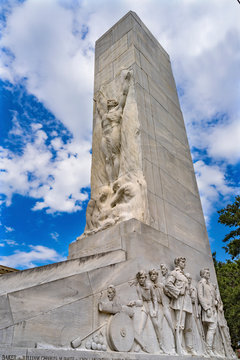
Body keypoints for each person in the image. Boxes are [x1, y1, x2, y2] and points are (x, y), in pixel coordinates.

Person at [95, 70, 131, 184]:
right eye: (108, 101)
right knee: (107, 159)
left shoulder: (118, 109)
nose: (109, 101)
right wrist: (97, 101)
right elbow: (99, 109)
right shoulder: (104, 115)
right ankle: (111, 182)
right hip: (105, 135)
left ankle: (117, 179)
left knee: (115, 155)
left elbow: (124, 94)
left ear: (115, 103)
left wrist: (126, 79)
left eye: (112, 101)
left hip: (114, 130)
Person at [165, 257, 195, 355]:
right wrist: (178, 292)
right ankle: (179, 347)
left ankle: (188, 347)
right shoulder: (174, 273)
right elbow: (168, 284)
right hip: (180, 302)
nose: (184, 264)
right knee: (179, 325)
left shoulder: (184, 276)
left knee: (188, 326)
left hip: (187, 302)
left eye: (184, 262)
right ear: (178, 263)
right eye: (183, 262)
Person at [197, 268, 218, 356]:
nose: (208, 274)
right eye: (206, 272)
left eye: (209, 272)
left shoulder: (210, 284)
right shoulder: (201, 283)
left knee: (210, 328)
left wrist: (216, 302)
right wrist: (206, 308)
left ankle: (209, 348)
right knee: (211, 327)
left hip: (213, 308)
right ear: (202, 274)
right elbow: (200, 296)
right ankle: (208, 349)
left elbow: (213, 296)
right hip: (207, 309)